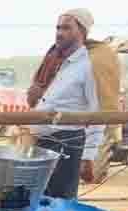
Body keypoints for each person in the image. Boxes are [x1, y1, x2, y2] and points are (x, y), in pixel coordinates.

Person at [25, 8, 103, 199]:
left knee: (60, 206)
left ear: (82, 32)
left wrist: (88, 156)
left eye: (67, 28)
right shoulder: (53, 63)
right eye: (58, 28)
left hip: (68, 143)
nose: (60, 33)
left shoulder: (90, 65)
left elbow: (98, 113)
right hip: (42, 142)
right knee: (38, 202)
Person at [84, 37, 123, 182]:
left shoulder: (104, 56)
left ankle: (90, 175)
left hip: (101, 112)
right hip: (89, 111)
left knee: (98, 141)